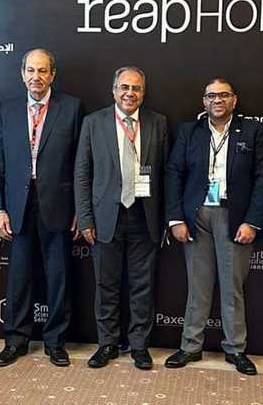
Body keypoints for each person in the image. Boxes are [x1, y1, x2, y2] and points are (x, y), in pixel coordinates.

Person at [164, 78, 263, 375]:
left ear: (234, 100)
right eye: (211, 95)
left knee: (231, 287)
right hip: (196, 216)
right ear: (204, 101)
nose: (217, 100)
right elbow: (174, 174)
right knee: (197, 286)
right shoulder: (189, 131)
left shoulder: (252, 131)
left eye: (223, 95)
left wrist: (252, 221)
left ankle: (235, 349)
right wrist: (175, 219)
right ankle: (190, 346)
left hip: (234, 217)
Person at [0, 48, 82, 367]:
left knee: (58, 276)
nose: (36, 77)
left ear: (52, 75)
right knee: (18, 276)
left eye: (43, 71)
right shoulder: (7, 110)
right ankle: (15, 340)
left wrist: (79, 209)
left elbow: (80, 163)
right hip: (17, 205)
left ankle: (55, 342)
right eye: (31, 70)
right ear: (22, 74)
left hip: (58, 204)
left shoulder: (71, 108)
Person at [75, 66, 167, 370]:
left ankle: (139, 345)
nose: (130, 93)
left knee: (143, 286)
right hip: (105, 218)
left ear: (144, 92)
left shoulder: (157, 122)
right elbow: (82, 174)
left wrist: (166, 219)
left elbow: (166, 174)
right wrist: (85, 219)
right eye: (124, 87)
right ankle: (107, 344)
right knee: (106, 285)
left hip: (145, 216)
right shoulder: (93, 122)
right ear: (114, 90)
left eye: (136, 88)